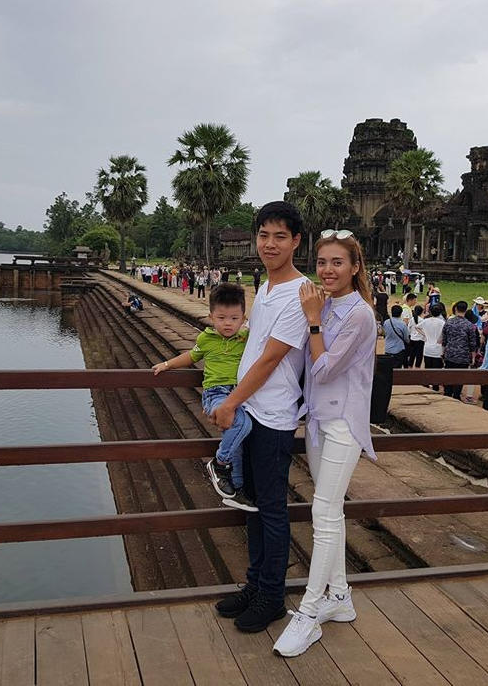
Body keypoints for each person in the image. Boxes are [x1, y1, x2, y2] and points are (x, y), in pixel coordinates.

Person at [273, 230, 377, 657]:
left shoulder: (360, 314)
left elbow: (326, 369)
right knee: (331, 510)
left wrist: (314, 319)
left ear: (355, 267)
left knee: (323, 511)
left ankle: (310, 611)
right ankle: (341, 596)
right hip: (317, 420)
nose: (328, 270)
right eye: (322, 262)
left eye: (337, 262)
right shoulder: (326, 303)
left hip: (343, 424)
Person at [211, 202, 309, 634]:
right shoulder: (266, 287)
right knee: (251, 506)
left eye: (280, 236)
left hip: (273, 416)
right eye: (264, 235)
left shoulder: (301, 294)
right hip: (253, 411)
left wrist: (230, 402)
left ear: (296, 241)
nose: (270, 244)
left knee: (270, 509)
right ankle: (255, 586)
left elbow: (270, 360)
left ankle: (272, 596)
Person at [151, 284, 256, 512]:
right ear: (211, 317)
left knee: (238, 445)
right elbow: (191, 356)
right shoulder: (207, 338)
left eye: (234, 318)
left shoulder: (246, 338)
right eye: (221, 318)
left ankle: (236, 490)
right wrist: (167, 364)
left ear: (243, 319)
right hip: (216, 393)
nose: (227, 324)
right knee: (242, 424)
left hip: (237, 395)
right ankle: (219, 463)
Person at [440, 300, 477, 400]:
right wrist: (473, 357)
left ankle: (447, 395)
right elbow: (472, 344)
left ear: (456, 309)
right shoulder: (469, 325)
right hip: (463, 356)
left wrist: (443, 353)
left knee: (448, 377)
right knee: (460, 379)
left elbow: (444, 340)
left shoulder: (449, 322)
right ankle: (456, 397)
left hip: (450, 354)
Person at [416, 303, 445, 391]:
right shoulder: (442, 322)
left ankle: (427, 386)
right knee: (436, 370)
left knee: (428, 368)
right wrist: (441, 338)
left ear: (431, 312)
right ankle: (435, 387)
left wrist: (425, 335)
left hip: (427, 348)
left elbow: (417, 327)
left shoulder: (426, 321)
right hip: (438, 349)